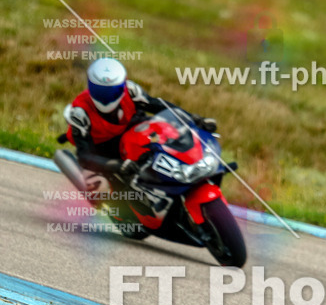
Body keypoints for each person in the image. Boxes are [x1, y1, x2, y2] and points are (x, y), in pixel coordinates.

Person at [63, 58, 217, 204]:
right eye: (101, 91)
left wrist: (196, 120)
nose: (106, 98)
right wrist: (116, 165)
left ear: (122, 86)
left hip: (136, 130)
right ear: (90, 87)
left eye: (113, 91)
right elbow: (84, 155)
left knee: (166, 133)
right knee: (100, 189)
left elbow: (159, 105)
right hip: (104, 147)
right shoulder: (79, 112)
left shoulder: (131, 91)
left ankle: (184, 171)